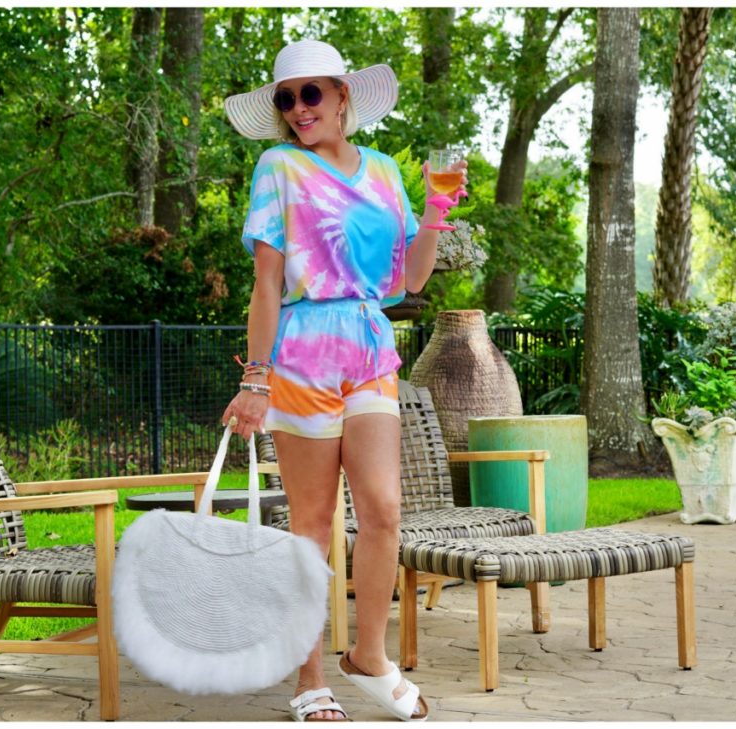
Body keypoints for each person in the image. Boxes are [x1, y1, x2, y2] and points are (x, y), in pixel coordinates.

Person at [222, 39, 467, 722]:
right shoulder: (278, 167)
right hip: (300, 355)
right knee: (312, 521)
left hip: (368, 346)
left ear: (342, 95)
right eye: (286, 98)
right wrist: (255, 377)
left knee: (384, 509)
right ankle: (308, 675)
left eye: (311, 94)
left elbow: (408, 280)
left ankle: (368, 655)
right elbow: (267, 284)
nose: (299, 109)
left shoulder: (386, 172)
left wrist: (438, 212)